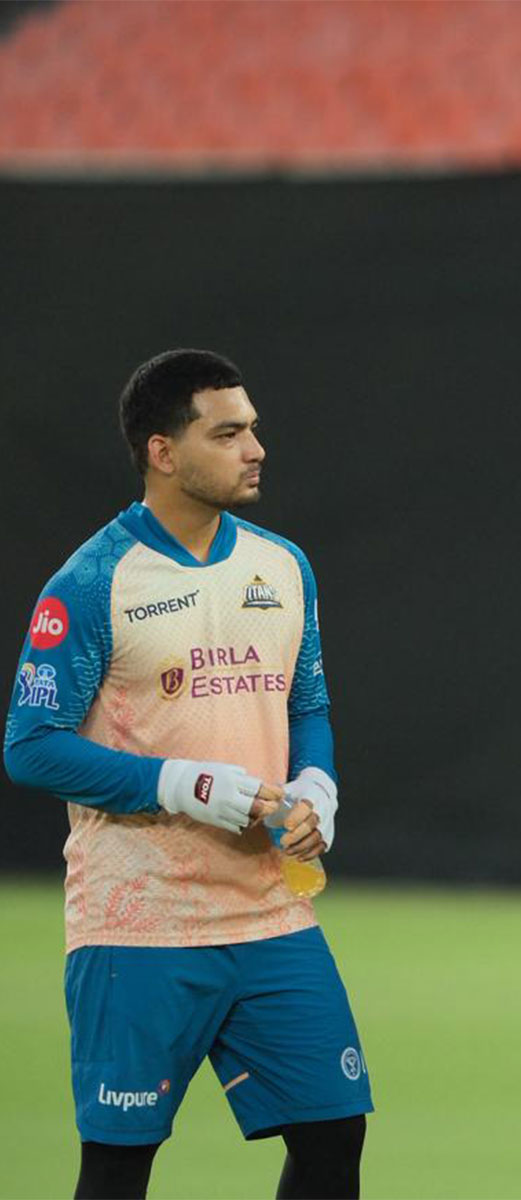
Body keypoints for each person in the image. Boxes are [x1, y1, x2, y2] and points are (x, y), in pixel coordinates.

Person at [4, 350, 372, 1199]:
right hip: (139, 924)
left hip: (268, 911)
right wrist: (187, 784)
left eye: (254, 430)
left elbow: (305, 704)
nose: (257, 449)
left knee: (333, 1139)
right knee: (120, 1164)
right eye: (229, 432)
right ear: (163, 452)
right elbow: (31, 744)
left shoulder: (282, 567)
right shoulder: (94, 582)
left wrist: (317, 791)